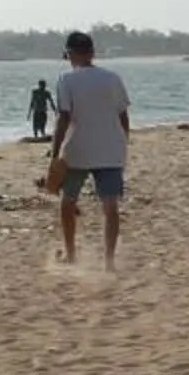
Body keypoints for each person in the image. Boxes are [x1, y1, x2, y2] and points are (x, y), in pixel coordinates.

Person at [48, 31, 130, 270]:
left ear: (70, 54)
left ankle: (71, 254)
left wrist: (54, 154)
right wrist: (123, 143)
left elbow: (63, 118)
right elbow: (123, 115)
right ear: (92, 53)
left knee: (68, 201)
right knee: (110, 206)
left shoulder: (66, 80)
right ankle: (109, 261)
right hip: (111, 150)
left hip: (78, 151)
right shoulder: (112, 78)